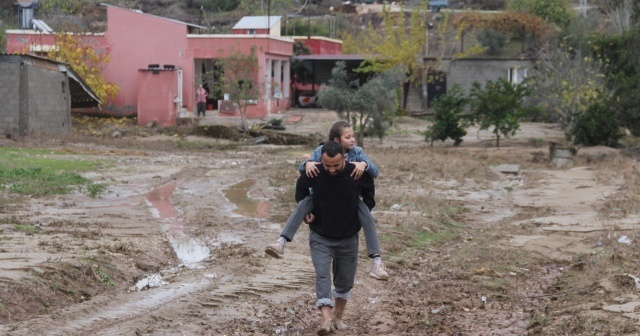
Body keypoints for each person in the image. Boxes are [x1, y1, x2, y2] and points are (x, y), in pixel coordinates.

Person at [265, 121, 389, 281]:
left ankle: (377, 262)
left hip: (348, 201)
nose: (353, 140)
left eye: (353, 136)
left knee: (366, 214)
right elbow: (303, 171)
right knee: (304, 203)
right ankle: (281, 242)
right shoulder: (320, 151)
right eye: (348, 136)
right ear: (337, 140)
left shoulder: (357, 153)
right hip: (322, 198)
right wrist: (307, 163)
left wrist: (364, 164)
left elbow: (375, 172)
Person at [296, 140, 375, 335]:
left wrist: (360, 214)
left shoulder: (355, 173)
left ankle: (338, 317)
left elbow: (369, 193)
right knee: (322, 275)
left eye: (336, 166)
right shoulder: (314, 171)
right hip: (320, 235)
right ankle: (326, 320)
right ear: (321, 160)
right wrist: (307, 212)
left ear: (344, 159)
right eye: (327, 165)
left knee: (344, 280)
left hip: (348, 236)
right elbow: (301, 191)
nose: (331, 170)